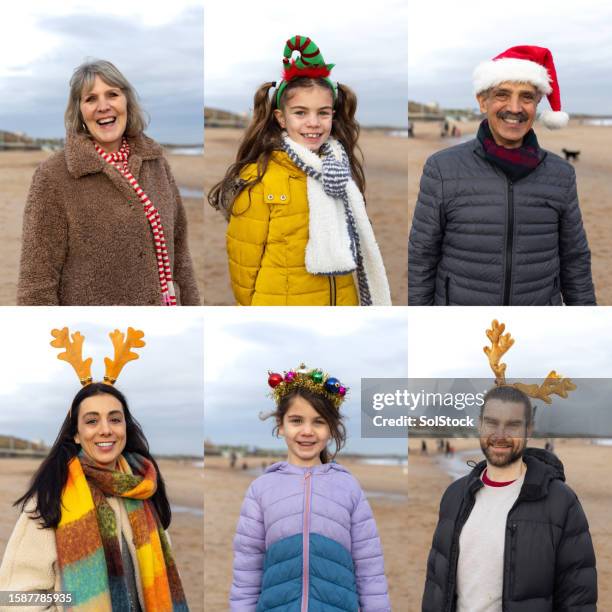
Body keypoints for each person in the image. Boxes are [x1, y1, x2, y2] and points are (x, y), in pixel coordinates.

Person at [0, 328, 189, 611]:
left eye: (115, 419)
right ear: (75, 433)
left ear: (126, 426)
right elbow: (14, 596)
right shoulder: (52, 497)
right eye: (91, 421)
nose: (105, 430)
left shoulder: (143, 489)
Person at [208, 35, 391, 306]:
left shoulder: (339, 172)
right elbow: (243, 261)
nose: (314, 123)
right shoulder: (260, 177)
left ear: (333, 115)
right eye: (301, 113)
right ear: (282, 118)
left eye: (323, 113)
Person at [409, 45, 596, 305]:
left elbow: (575, 259)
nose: (515, 107)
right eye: (502, 94)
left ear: (537, 104)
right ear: (482, 101)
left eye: (527, 97)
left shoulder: (561, 174)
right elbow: (422, 256)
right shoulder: (442, 169)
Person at [17, 59, 200, 306]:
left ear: (126, 101)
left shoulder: (156, 163)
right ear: (79, 111)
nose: (103, 106)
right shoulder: (53, 175)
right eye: (90, 99)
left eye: (112, 94)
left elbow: (181, 256)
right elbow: (37, 280)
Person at [422, 385, 597, 611]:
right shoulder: (454, 496)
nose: (500, 435)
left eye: (513, 425)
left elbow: (578, 600)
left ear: (529, 430)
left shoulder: (561, 502)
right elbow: (436, 585)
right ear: (480, 425)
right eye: (492, 423)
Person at [230, 366, 391, 610]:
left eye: (319, 422)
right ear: (281, 425)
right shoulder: (260, 489)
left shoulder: (349, 488)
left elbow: (370, 569)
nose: (307, 431)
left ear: (331, 428)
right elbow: (247, 570)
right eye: (296, 421)